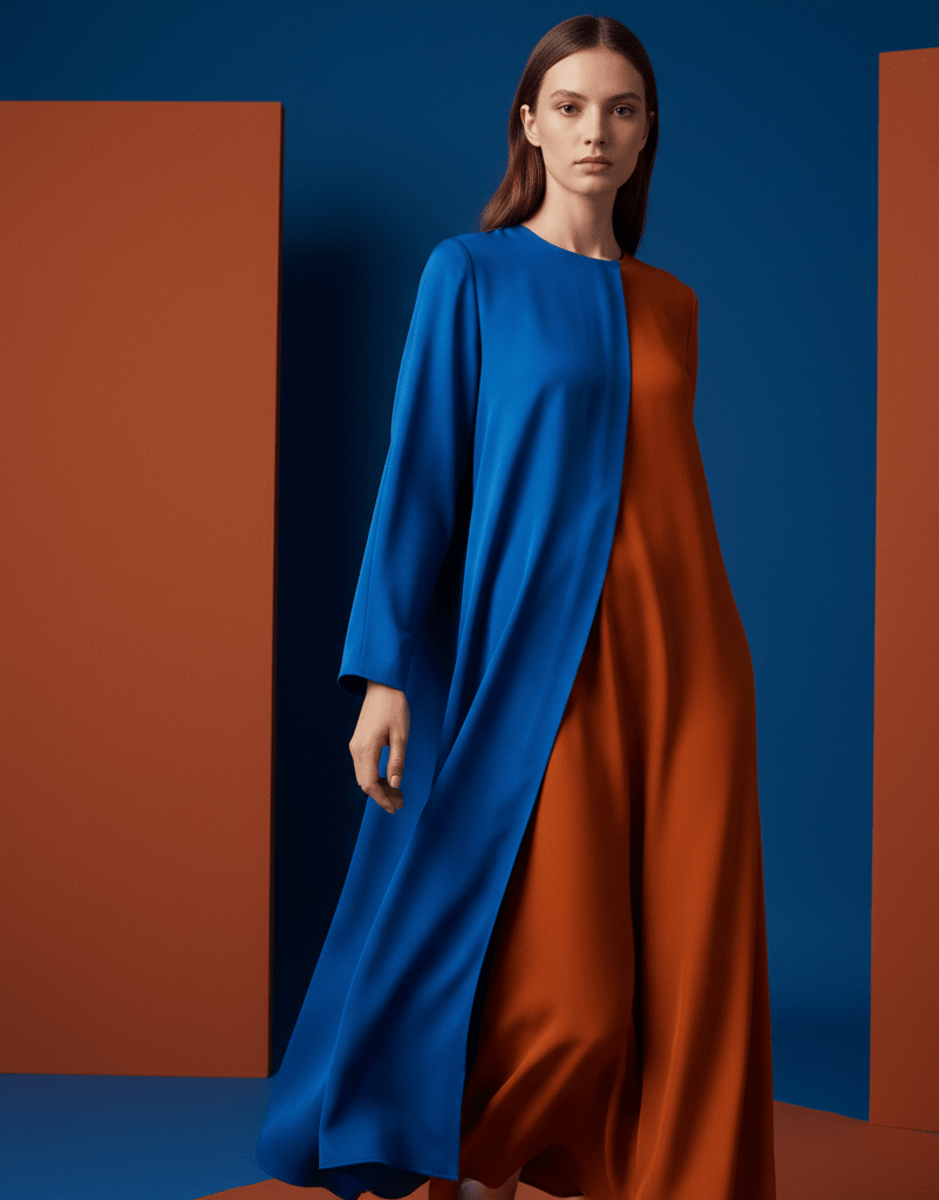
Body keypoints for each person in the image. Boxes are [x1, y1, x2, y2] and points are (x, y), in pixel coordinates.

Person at [256, 15, 775, 1200]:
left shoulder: (673, 305)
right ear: (530, 125)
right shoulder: (471, 274)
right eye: (574, 107)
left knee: (694, 960)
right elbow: (421, 474)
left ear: (648, 136)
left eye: (624, 110)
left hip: (691, 663)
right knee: (572, 988)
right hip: (536, 657)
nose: (598, 132)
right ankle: (462, 1149)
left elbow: (669, 495)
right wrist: (384, 671)